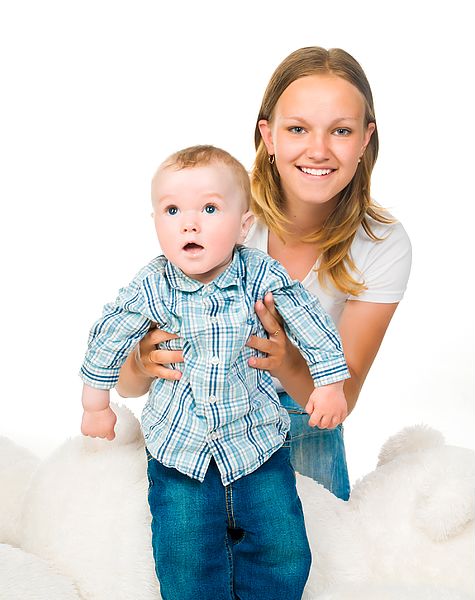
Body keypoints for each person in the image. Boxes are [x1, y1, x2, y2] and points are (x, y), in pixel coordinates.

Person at [117, 46, 412, 502]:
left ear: (365, 139)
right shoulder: (221, 212)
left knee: (311, 563)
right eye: (297, 129)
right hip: (200, 415)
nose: (318, 149)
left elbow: (341, 399)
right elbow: (127, 382)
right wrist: (141, 361)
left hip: (305, 420)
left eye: (341, 130)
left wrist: (285, 358)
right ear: (268, 136)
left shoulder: (381, 244)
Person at [79, 144, 350, 600]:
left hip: (256, 444)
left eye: (209, 208)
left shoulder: (259, 274)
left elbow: (310, 320)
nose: (189, 223)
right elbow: (110, 331)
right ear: (156, 224)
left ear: (244, 225)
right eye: (172, 210)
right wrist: (95, 402)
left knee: (282, 549)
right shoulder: (154, 283)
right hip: (180, 451)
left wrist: (329, 383)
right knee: (185, 557)